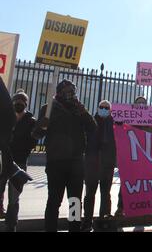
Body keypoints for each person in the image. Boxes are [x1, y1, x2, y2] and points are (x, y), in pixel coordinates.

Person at [33, 79, 96, 232]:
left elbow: (93, 128)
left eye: (73, 91)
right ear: (60, 93)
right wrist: (43, 123)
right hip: (56, 163)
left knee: (75, 202)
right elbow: (36, 134)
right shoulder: (48, 108)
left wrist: (84, 113)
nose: (71, 94)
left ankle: (74, 228)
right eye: (67, 91)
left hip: (76, 164)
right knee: (54, 201)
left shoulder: (78, 109)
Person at [0, 90, 36, 231]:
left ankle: (11, 225)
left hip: (19, 162)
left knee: (14, 198)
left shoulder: (30, 121)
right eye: (16, 101)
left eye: (21, 102)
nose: (18, 104)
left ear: (25, 104)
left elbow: (32, 142)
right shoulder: (6, 118)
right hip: (4, 161)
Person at [81, 100, 117, 232]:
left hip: (107, 164)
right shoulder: (91, 121)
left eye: (106, 108)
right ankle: (87, 221)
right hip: (92, 163)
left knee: (105, 194)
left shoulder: (114, 123)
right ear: (98, 108)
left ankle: (104, 220)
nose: (104, 109)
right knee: (90, 194)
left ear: (110, 110)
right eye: (101, 107)